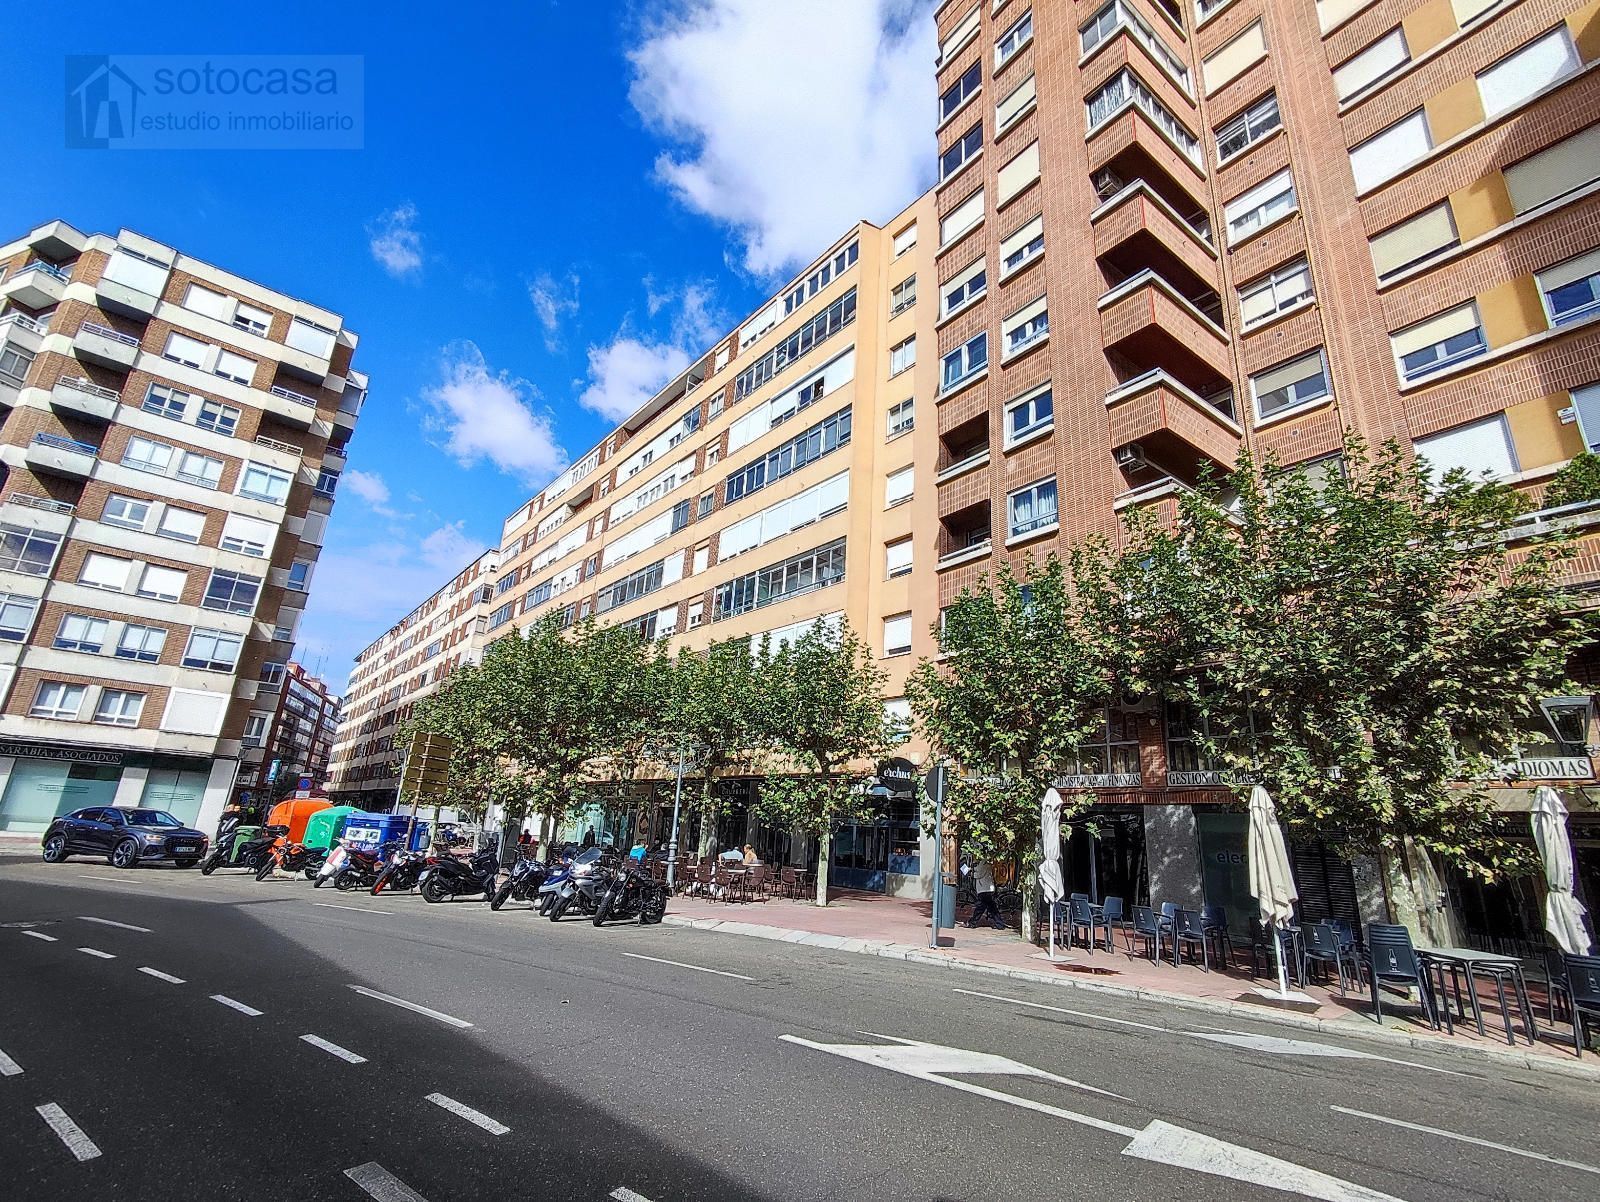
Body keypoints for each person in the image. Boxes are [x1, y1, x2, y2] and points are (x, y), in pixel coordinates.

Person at [967, 859, 1005, 930]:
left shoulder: (983, 863)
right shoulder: (984, 863)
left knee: (980, 907)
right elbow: (979, 870)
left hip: (985, 889)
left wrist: (970, 873)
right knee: (992, 908)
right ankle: (1000, 924)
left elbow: (979, 874)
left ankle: (972, 923)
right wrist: (972, 868)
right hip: (987, 889)